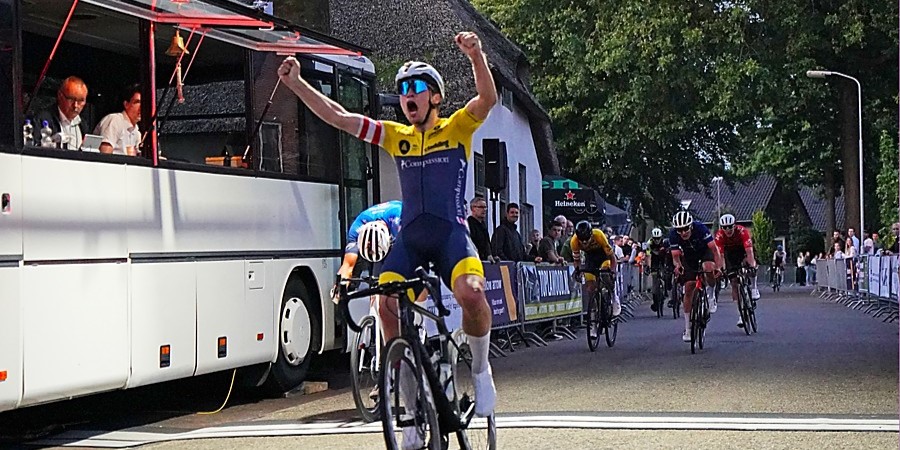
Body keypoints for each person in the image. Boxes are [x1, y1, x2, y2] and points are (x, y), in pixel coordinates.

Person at [278, 30, 499, 432]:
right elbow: (338, 117)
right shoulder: (395, 135)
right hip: (411, 240)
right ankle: (411, 411)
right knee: (385, 308)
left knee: (472, 292)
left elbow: (488, 100)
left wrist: (476, 55)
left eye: (416, 88)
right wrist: (296, 84)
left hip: (450, 234)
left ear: (435, 96)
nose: (407, 96)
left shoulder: (457, 128)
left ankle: (482, 371)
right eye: (401, 90)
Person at [669, 211, 724, 343]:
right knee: (689, 288)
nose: (683, 232)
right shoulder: (673, 235)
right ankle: (688, 328)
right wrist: (678, 266)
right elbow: (675, 257)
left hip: (704, 252)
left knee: (707, 268)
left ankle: (711, 296)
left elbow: (714, 250)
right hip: (689, 257)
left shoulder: (700, 228)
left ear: (691, 226)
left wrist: (718, 267)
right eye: (679, 230)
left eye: (685, 229)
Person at [335, 200, 403, 284]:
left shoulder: (398, 222)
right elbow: (347, 266)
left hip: (398, 215)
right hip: (380, 220)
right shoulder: (356, 229)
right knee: (376, 280)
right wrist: (339, 291)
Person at [714, 214, 760, 329]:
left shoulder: (742, 231)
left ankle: (754, 288)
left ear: (734, 225)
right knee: (734, 282)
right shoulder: (719, 235)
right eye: (725, 227)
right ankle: (740, 314)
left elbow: (749, 252)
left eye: (730, 226)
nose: (728, 230)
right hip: (730, 253)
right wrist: (721, 268)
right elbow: (721, 256)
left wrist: (752, 264)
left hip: (743, 250)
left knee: (751, 267)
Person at [571, 221, 619, 319]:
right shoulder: (574, 241)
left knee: (606, 275)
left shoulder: (598, 235)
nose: (584, 242)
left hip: (604, 257)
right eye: (582, 240)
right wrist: (578, 271)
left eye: (586, 239)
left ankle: (614, 298)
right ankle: (593, 318)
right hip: (591, 259)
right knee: (590, 288)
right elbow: (577, 260)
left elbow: (612, 257)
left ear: (591, 235)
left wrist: (613, 271)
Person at [32, 76, 89, 150]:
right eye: (71, 99)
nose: (75, 105)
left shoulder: (83, 125)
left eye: (81, 101)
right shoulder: (43, 119)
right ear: (60, 95)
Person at [94, 84, 142, 156]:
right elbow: (105, 156)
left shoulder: (137, 132)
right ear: (126, 104)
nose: (142, 107)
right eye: (137, 102)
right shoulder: (115, 120)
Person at [646, 227, 669, 312]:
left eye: (658, 238)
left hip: (663, 259)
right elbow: (648, 256)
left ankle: (666, 290)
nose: (657, 240)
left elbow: (668, 255)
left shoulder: (665, 242)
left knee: (666, 273)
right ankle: (655, 301)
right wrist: (648, 266)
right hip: (654, 259)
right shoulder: (649, 243)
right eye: (655, 238)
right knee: (655, 281)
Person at [466, 196, 496, 262]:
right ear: (473, 208)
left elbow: (486, 243)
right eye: (481, 207)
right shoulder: (469, 224)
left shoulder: (483, 225)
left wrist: (490, 254)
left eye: (485, 207)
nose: (484, 209)